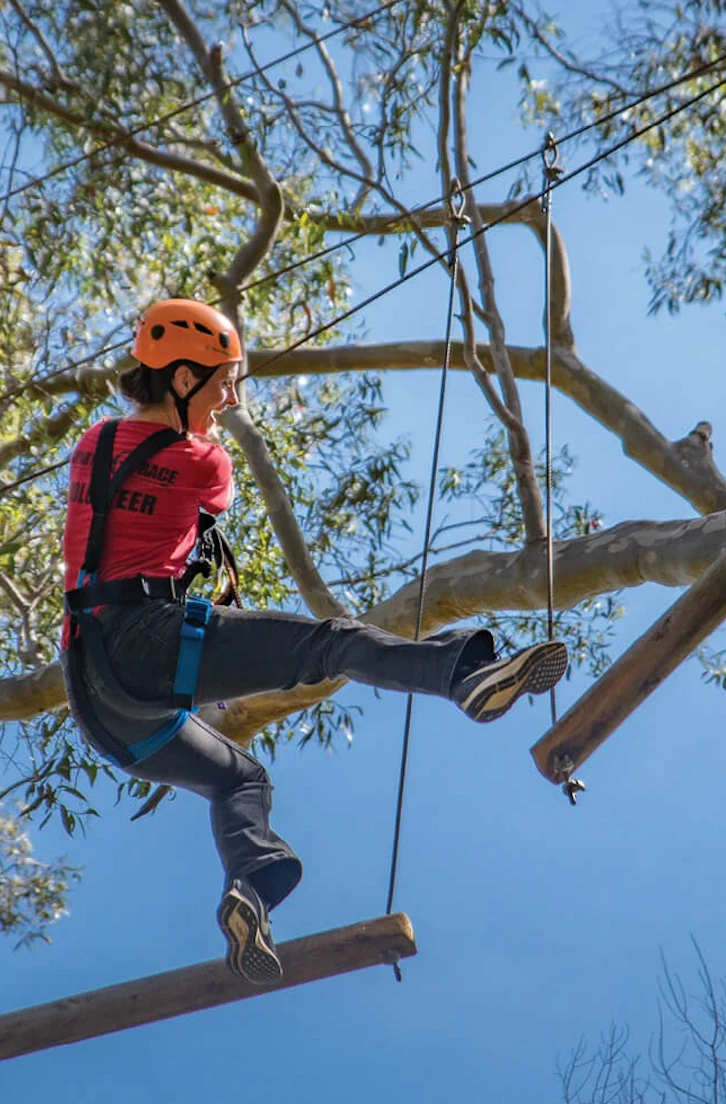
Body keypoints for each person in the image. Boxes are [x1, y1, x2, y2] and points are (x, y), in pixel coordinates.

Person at [60, 298, 568, 985]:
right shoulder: (204, 459)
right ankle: (461, 674)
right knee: (332, 643)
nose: (230, 397)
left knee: (241, 777)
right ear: (181, 380)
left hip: (100, 701)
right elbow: (210, 496)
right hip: (147, 644)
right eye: (222, 381)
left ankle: (252, 891)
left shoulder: (93, 443)